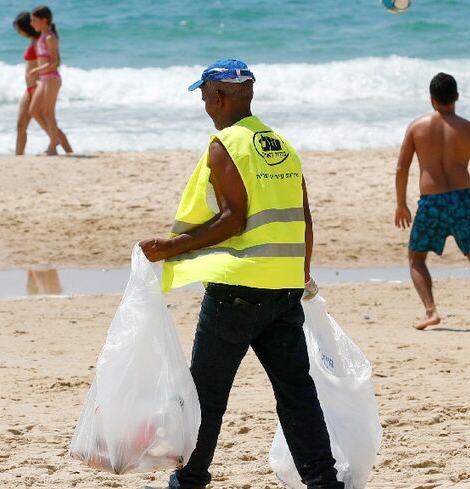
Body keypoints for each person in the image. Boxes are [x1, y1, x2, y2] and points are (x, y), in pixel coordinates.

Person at [138, 59, 343, 489]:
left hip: (237, 292)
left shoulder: (225, 144)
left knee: (206, 396)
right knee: (296, 392)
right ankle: (324, 482)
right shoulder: (282, 145)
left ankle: (189, 481)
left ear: (219, 96)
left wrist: (172, 247)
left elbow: (234, 218)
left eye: (203, 95)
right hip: (283, 289)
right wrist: (301, 275)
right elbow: (303, 218)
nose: (203, 104)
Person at [394, 72, 470, 332]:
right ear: (457, 97)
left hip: (431, 202)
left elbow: (401, 167)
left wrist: (401, 204)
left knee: (416, 258)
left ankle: (431, 311)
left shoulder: (417, 127)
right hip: (463, 200)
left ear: (432, 98)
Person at [13, 11, 71, 156]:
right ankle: (18, 157)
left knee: (48, 121)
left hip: (38, 86)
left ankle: (68, 150)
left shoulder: (42, 40)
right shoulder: (36, 41)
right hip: (29, 88)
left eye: (19, 29)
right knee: (21, 125)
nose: (18, 33)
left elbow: (50, 62)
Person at [29, 5, 72, 156]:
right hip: (44, 79)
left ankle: (52, 147)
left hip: (52, 78)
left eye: (34, 20)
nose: (31, 24)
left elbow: (54, 62)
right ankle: (55, 139)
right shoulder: (41, 37)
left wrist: (36, 70)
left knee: (48, 113)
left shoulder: (50, 38)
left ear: (44, 20)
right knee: (34, 111)